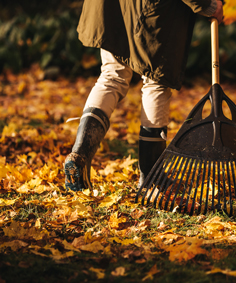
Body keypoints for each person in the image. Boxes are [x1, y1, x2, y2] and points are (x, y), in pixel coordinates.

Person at [64, 0, 224, 191]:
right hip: (151, 8)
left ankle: (79, 155)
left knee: (112, 75)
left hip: (110, 6)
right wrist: (207, 5)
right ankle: (151, 178)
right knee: (155, 82)